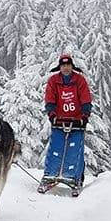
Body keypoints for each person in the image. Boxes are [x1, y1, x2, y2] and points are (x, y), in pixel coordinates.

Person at [39, 54, 93, 194]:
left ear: (72, 66)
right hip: (60, 120)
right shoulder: (54, 80)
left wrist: (85, 115)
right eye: (63, 65)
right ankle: (50, 176)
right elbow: (50, 98)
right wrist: (51, 114)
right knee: (56, 148)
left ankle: (74, 178)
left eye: (68, 65)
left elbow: (86, 98)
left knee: (75, 150)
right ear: (60, 67)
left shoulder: (79, 80)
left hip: (77, 121)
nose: (66, 68)